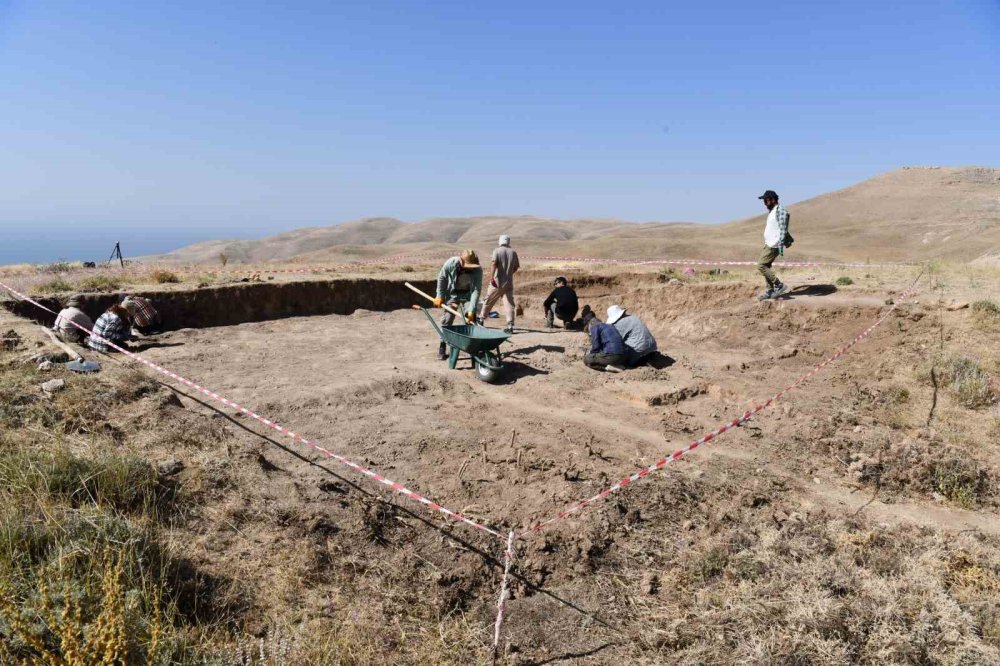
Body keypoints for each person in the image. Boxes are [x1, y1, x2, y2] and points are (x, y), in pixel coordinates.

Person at [433, 250, 483, 360]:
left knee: (470, 319)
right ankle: (442, 346)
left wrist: (472, 309)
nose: (470, 268)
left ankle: (471, 347)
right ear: (461, 261)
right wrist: (439, 296)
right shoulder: (450, 263)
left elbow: (476, 290)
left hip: (468, 295)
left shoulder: (478, 270)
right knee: (447, 319)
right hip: (452, 294)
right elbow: (442, 278)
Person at [479, 235, 520, 334]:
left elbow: (494, 263)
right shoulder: (513, 252)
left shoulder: (497, 251)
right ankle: (510, 325)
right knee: (509, 304)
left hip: (496, 282)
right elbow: (516, 267)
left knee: (489, 300)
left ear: (500, 241)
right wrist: (509, 274)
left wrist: (492, 277)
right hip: (508, 283)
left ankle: (481, 320)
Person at [756, 189, 792, 301]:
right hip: (769, 243)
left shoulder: (780, 211)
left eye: (766, 201)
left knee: (761, 265)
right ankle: (770, 291)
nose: (765, 203)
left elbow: (783, 228)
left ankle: (779, 285)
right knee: (766, 266)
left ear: (772, 199)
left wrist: (781, 243)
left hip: (774, 244)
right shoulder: (772, 211)